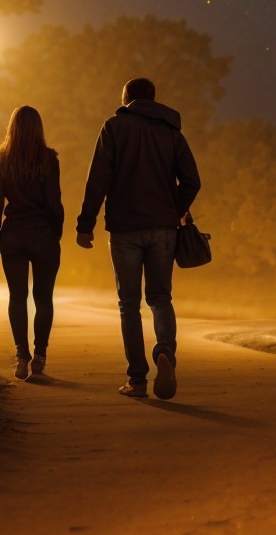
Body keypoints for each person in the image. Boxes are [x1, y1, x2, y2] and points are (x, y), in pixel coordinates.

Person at [75, 74, 202, 400]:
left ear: (127, 99)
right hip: (163, 229)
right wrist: (175, 209)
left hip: (125, 230)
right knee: (160, 298)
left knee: (129, 304)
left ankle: (137, 379)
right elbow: (192, 180)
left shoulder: (114, 127)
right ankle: (165, 352)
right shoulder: (171, 132)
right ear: (153, 99)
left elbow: (98, 179)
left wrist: (85, 225)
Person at [0, 103, 64, 382]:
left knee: (17, 297)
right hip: (42, 234)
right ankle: (40, 355)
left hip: (13, 236)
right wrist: (55, 232)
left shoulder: (2, 159)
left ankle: (21, 356)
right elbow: (54, 202)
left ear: (12, 128)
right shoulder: (49, 160)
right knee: (43, 298)